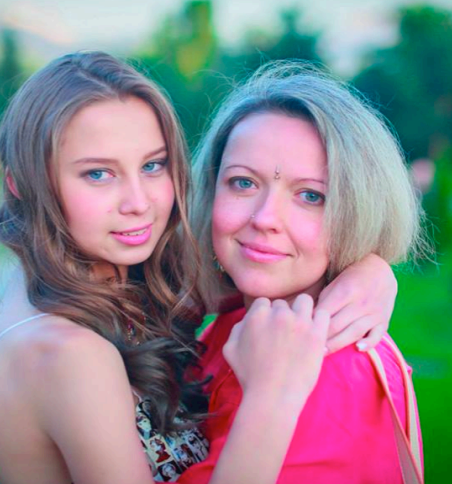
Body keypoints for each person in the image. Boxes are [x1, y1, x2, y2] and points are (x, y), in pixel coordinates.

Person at [0, 52, 397, 484]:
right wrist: (270, 397)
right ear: (19, 181)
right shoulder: (69, 354)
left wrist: (369, 268)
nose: (139, 202)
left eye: (152, 165)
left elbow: (227, 282)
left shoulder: (119, 291)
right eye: (98, 174)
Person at [178, 62, 427, 484]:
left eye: (311, 195)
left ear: (357, 211)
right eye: (243, 183)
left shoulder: (329, 369)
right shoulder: (235, 318)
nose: (265, 218)